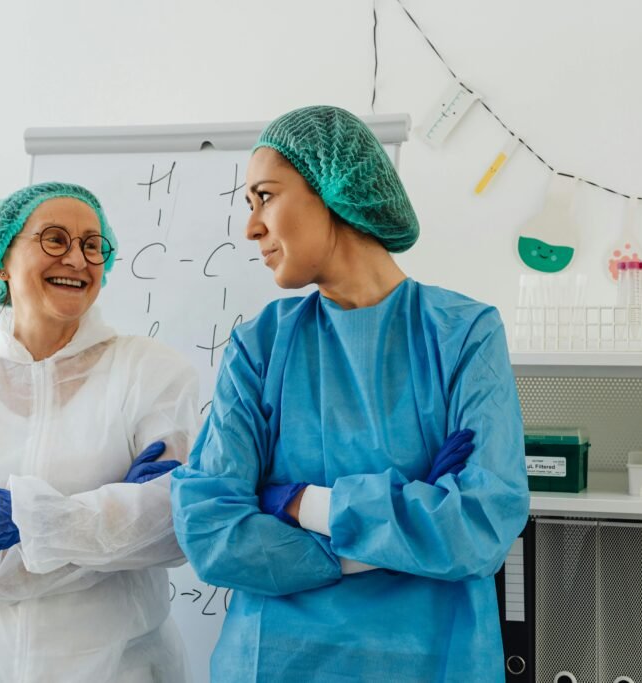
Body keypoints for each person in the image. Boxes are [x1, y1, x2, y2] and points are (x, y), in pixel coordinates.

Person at [170, 106, 530, 682]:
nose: (251, 227)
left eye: (265, 196)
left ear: (332, 188)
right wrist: (400, 527)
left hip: (431, 661)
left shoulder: (462, 333)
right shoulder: (261, 344)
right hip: (273, 664)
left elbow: (481, 525)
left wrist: (296, 504)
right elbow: (210, 528)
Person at [0, 182, 199, 682]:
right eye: (55, 239)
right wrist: (114, 520)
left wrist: (26, 520)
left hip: (119, 668)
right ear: (2, 262)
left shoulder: (151, 373)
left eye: (92, 244)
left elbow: (174, 528)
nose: (78, 259)